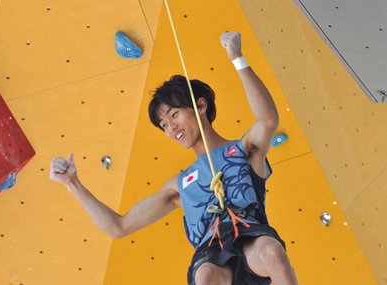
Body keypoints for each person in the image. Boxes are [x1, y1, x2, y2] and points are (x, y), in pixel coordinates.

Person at [50, 32, 298, 285]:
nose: (171, 128)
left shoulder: (244, 150)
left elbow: (268, 120)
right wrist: (73, 184)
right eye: (164, 124)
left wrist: (236, 57)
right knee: (204, 276)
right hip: (213, 258)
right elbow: (118, 227)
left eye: (174, 115)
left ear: (200, 106)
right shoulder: (178, 186)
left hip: (253, 245)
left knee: (273, 252)